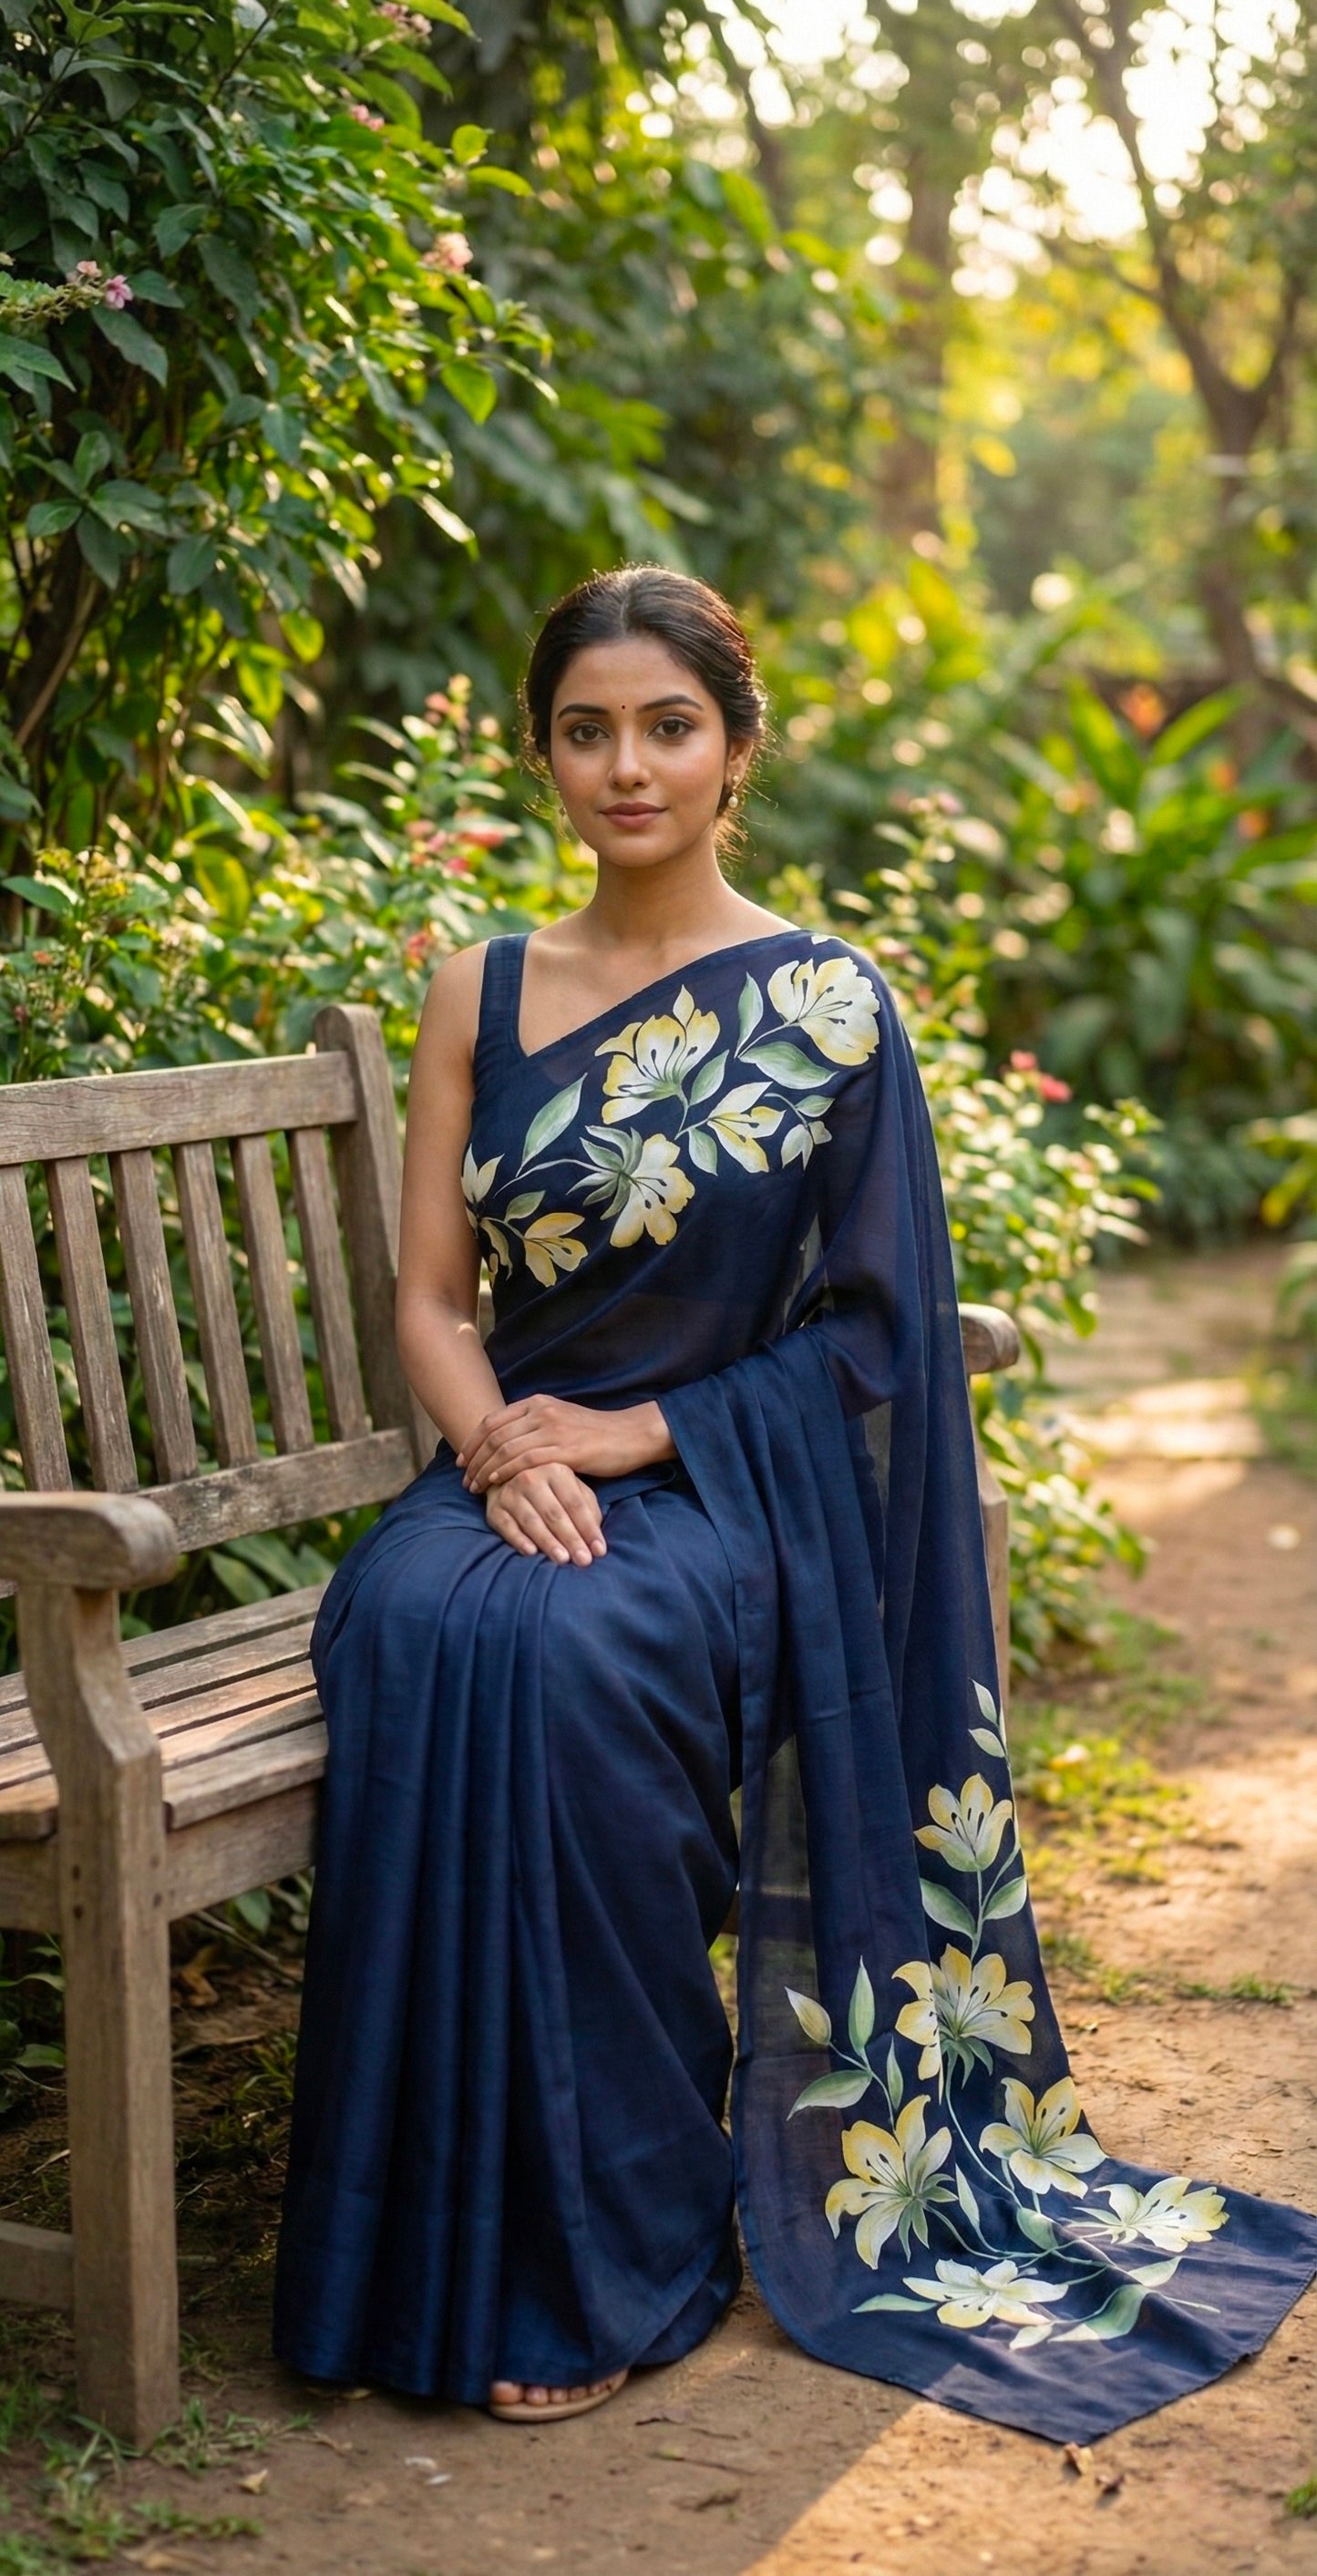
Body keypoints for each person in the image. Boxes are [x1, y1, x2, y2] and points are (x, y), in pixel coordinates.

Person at [274, 566, 1317, 2441]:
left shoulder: (829, 1006)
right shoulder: (476, 990)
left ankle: (631, 2248)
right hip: (507, 1465)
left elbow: (873, 1337)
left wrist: (631, 1437)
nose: (626, 764)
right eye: (585, 728)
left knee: (576, 1656)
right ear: (542, 752)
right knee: (413, 1614)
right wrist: (511, 1440)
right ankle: (408, 2246)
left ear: (737, 747)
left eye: (668, 725)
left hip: (722, 1494)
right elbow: (432, 1302)